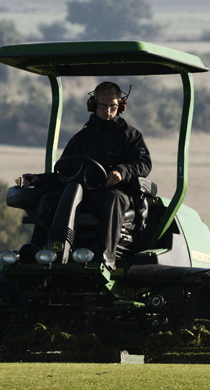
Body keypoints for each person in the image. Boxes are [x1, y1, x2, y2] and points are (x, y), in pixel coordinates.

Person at [20, 81, 152, 268]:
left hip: (111, 192)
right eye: (103, 105)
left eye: (113, 106)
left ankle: (102, 257)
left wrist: (122, 171)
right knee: (50, 200)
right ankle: (38, 252)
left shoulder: (130, 135)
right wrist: (38, 179)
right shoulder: (81, 138)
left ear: (121, 106)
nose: (108, 110)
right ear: (93, 105)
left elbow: (144, 164)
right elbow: (64, 174)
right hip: (82, 193)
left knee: (113, 199)